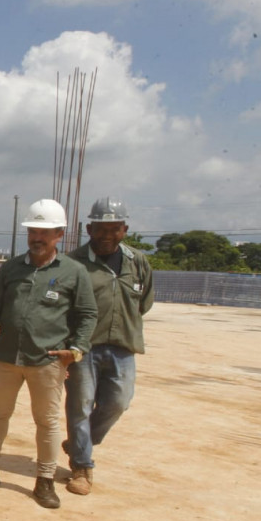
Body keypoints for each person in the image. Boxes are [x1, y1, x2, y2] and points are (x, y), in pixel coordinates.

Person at [0, 198, 97, 509]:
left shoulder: (74, 272)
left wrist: (76, 349)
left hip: (47, 361)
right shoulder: (11, 269)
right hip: (6, 357)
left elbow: (88, 314)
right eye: (33, 232)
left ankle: (45, 480)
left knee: (47, 422)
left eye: (45, 233)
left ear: (59, 234)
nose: (37, 238)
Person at [63, 197, 153, 495]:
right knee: (80, 407)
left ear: (124, 229)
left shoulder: (137, 262)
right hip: (84, 348)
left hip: (123, 347)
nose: (106, 235)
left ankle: (82, 441)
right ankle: (81, 466)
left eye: (113, 229)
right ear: (89, 228)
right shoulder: (75, 263)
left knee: (118, 402)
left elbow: (145, 301)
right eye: (100, 229)